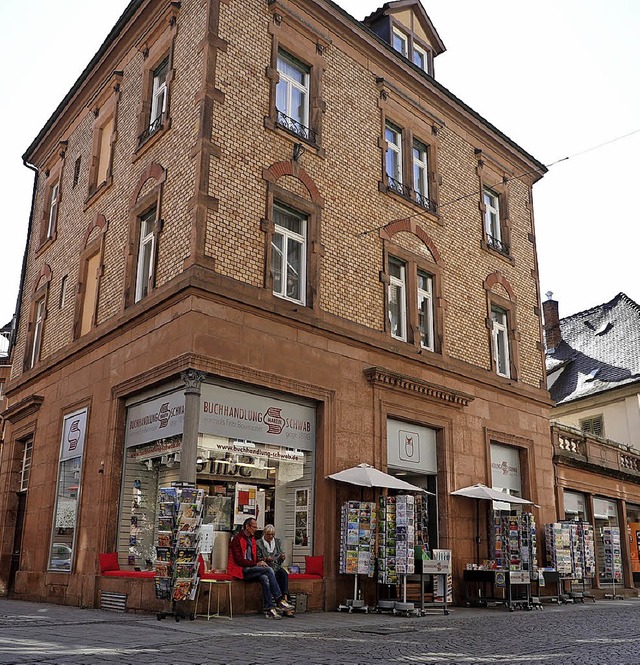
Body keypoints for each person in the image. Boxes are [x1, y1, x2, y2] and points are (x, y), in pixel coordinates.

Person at [228, 517, 294, 619]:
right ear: (247, 527)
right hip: (241, 570)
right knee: (268, 570)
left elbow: (255, 558)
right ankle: (279, 600)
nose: (255, 529)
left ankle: (269, 609)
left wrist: (261, 561)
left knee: (265, 578)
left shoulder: (252, 540)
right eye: (254, 527)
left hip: (252, 569)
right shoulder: (237, 539)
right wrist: (257, 563)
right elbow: (239, 561)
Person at [257, 524, 293, 616]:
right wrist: (266, 559)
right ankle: (282, 603)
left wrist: (282, 557)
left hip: (276, 567)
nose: (271, 536)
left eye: (273, 534)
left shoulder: (277, 542)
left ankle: (284, 599)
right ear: (264, 534)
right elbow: (257, 559)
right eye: (269, 534)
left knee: (283, 574)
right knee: (267, 578)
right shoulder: (258, 543)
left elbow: (280, 558)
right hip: (265, 568)